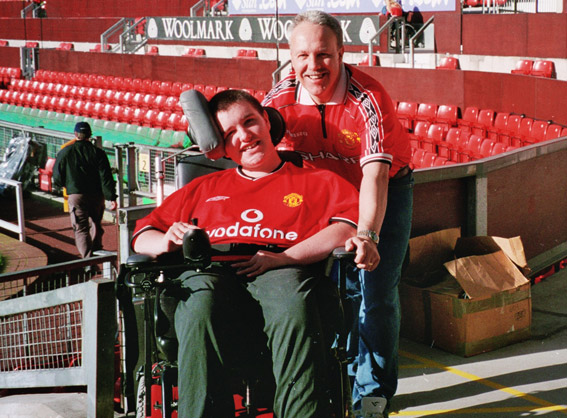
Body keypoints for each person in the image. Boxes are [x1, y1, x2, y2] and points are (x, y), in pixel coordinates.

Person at [132, 90, 361, 418]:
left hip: (281, 267)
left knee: (292, 300)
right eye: (229, 134)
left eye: (249, 122)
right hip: (212, 271)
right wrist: (167, 240)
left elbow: (347, 227)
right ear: (221, 146)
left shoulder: (318, 181)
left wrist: (287, 258)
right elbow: (142, 236)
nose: (244, 136)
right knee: (198, 303)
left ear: (266, 121)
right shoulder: (204, 188)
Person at [262, 10, 413, 417]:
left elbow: (377, 175)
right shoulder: (278, 99)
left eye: (324, 55)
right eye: (303, 56)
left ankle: (373, 396)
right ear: (290, 58)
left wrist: (368, 235)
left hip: (382, 191)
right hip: (325, 194)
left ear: (342, 53)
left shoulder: (369, 99)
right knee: (328, 291)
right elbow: (253, 152)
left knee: (374, 293)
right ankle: (333, 383)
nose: (314, 67)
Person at [52, 122, 117, 258]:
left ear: (75, 134)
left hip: (76, 194)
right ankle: (97, 247)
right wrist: (111, 197)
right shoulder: (98, 153)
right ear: (89, 135)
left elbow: (57, 175)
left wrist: (65, 185)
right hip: (97, 195)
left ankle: (87, 259)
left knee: (81, 228)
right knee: (96, 223)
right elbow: (106, 177)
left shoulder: (65, 152)